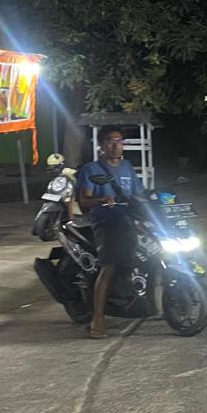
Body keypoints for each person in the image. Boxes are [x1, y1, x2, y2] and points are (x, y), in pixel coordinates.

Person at [76, 125, 145, 339]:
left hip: (128, 221)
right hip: (106, 222)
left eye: (119, 141)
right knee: (109, 265)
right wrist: (102, 200)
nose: (116, 145)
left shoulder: (127, 167)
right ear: (101, 145)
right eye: (110, 141)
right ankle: (97, 319)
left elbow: (138, 194)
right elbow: (84, 200)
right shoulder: (91, 169)